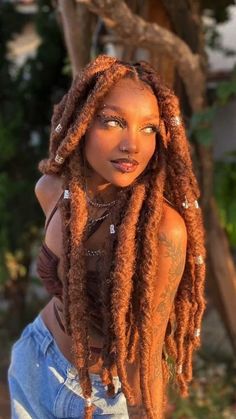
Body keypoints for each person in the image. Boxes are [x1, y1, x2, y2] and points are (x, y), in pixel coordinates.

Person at [8, 54, 206, 419]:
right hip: (35, 359)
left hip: (103, 400)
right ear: (81, 123)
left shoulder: (162, 231)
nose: (133, 145)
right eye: (114, 122)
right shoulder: (52, 191)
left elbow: (145, 362)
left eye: (148, 128)